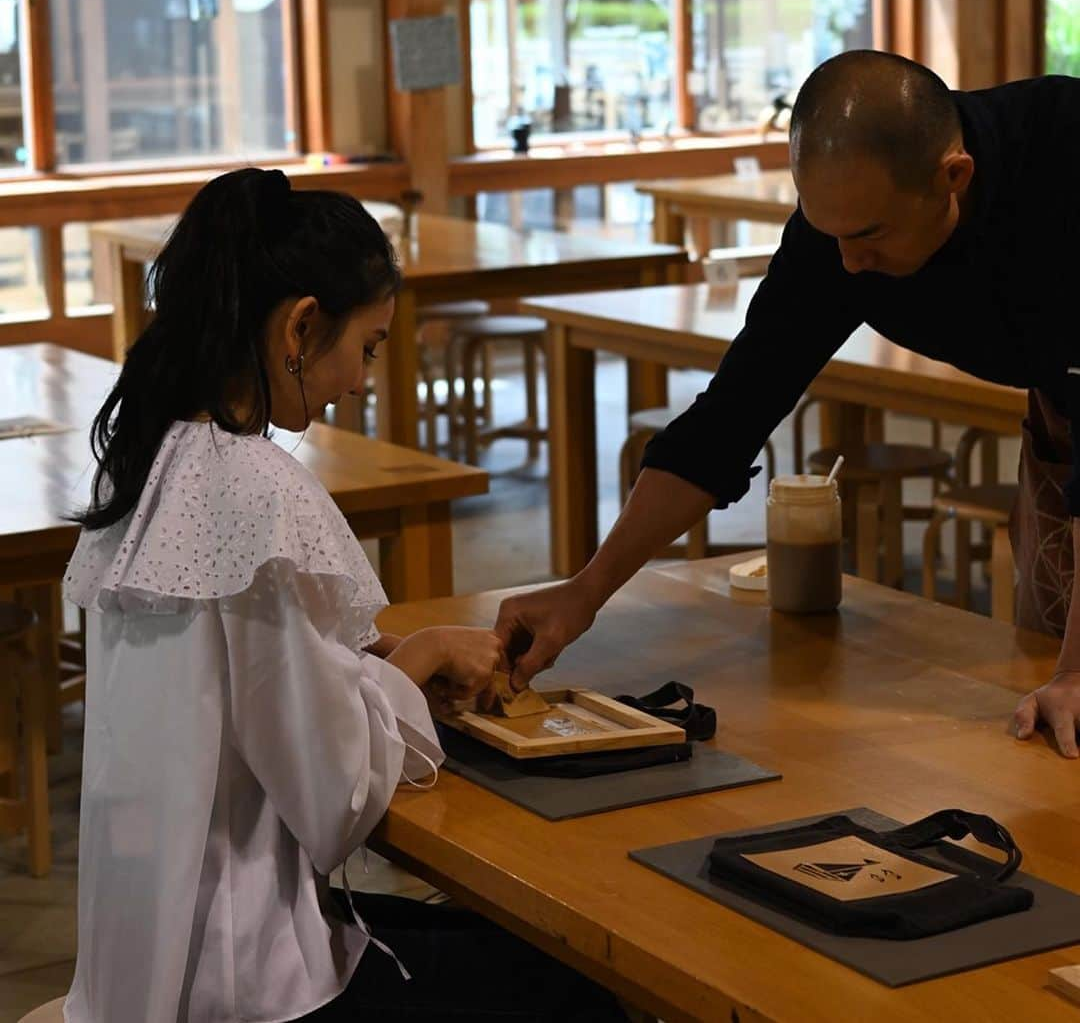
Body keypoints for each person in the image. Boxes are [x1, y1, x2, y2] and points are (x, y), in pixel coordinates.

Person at [63, 168, 625, 1023]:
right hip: (247, 981)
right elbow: (334, 804)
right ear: (300, 325)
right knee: (574, 982)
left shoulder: (147, 460)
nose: (363, 381)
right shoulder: (259, 492)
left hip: (134, 968)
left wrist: (368, 668)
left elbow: (235, 695)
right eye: (366, 347)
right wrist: (428, 654)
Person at [496, 50, 1080, 760]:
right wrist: (585, 592)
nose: (848, 265)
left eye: (868, 238)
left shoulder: (1062, 164)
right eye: (827, 232)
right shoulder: (839, 236)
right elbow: (729, 418)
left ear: (952, 178)